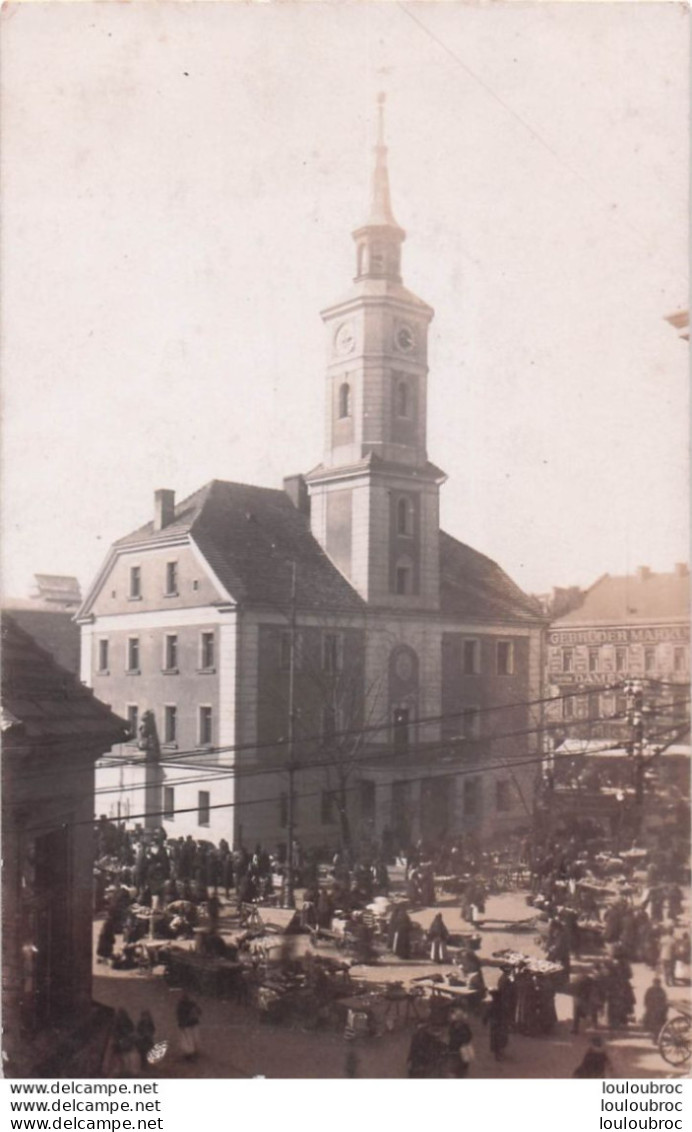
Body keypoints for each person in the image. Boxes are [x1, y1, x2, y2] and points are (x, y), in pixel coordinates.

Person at [483, 988, 509, 1061]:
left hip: (495, 1023)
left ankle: (497, 1053)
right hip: (501, 1023)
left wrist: (485, 1021)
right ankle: (499, 1052)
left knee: (495, 1038)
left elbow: (487, 1014)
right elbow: (506, 1013)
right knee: (500, 1038)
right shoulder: (502, 1004)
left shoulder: (492, 1005)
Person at [176, 992, 202, 1060]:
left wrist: (181, 1024)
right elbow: (199, 1012)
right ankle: (191, 1053)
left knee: (189, 1040)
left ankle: (190, 1053)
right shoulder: (191, 1004)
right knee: (192, 1039)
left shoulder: (181, 1005)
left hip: (188, 1025)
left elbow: (180, 1016)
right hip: (191, 1024)